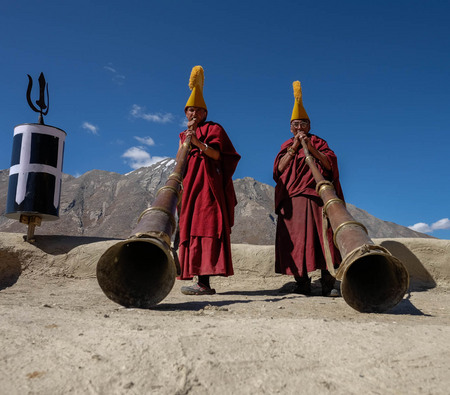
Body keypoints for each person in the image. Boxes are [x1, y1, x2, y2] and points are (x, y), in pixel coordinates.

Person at [273, 81, 344, 296]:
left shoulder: (319, 143)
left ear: (309, 126)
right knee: (295, 241)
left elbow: (330, 165)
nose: (299, 128)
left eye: (303, 124)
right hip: (292, 200)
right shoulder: (286, 146)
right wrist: (295, 147)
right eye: (295, 124)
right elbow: (278, 171)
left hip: (316, 198)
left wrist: (310, 148)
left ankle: (328, 282)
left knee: (324, 238)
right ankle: (301, 283)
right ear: (290, 127)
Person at [177, 65, 240, 295]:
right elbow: (179, 161)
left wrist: (198, 144)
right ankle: (196, 278)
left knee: (206, 228)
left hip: (207, 187)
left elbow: (218, 155)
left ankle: (204, 282)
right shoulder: (184, 135)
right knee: (191, 228)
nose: (192, 114)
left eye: (197, 111)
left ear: (204, 113)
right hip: (191, 186)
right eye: (189, 110)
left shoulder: (214, 129)